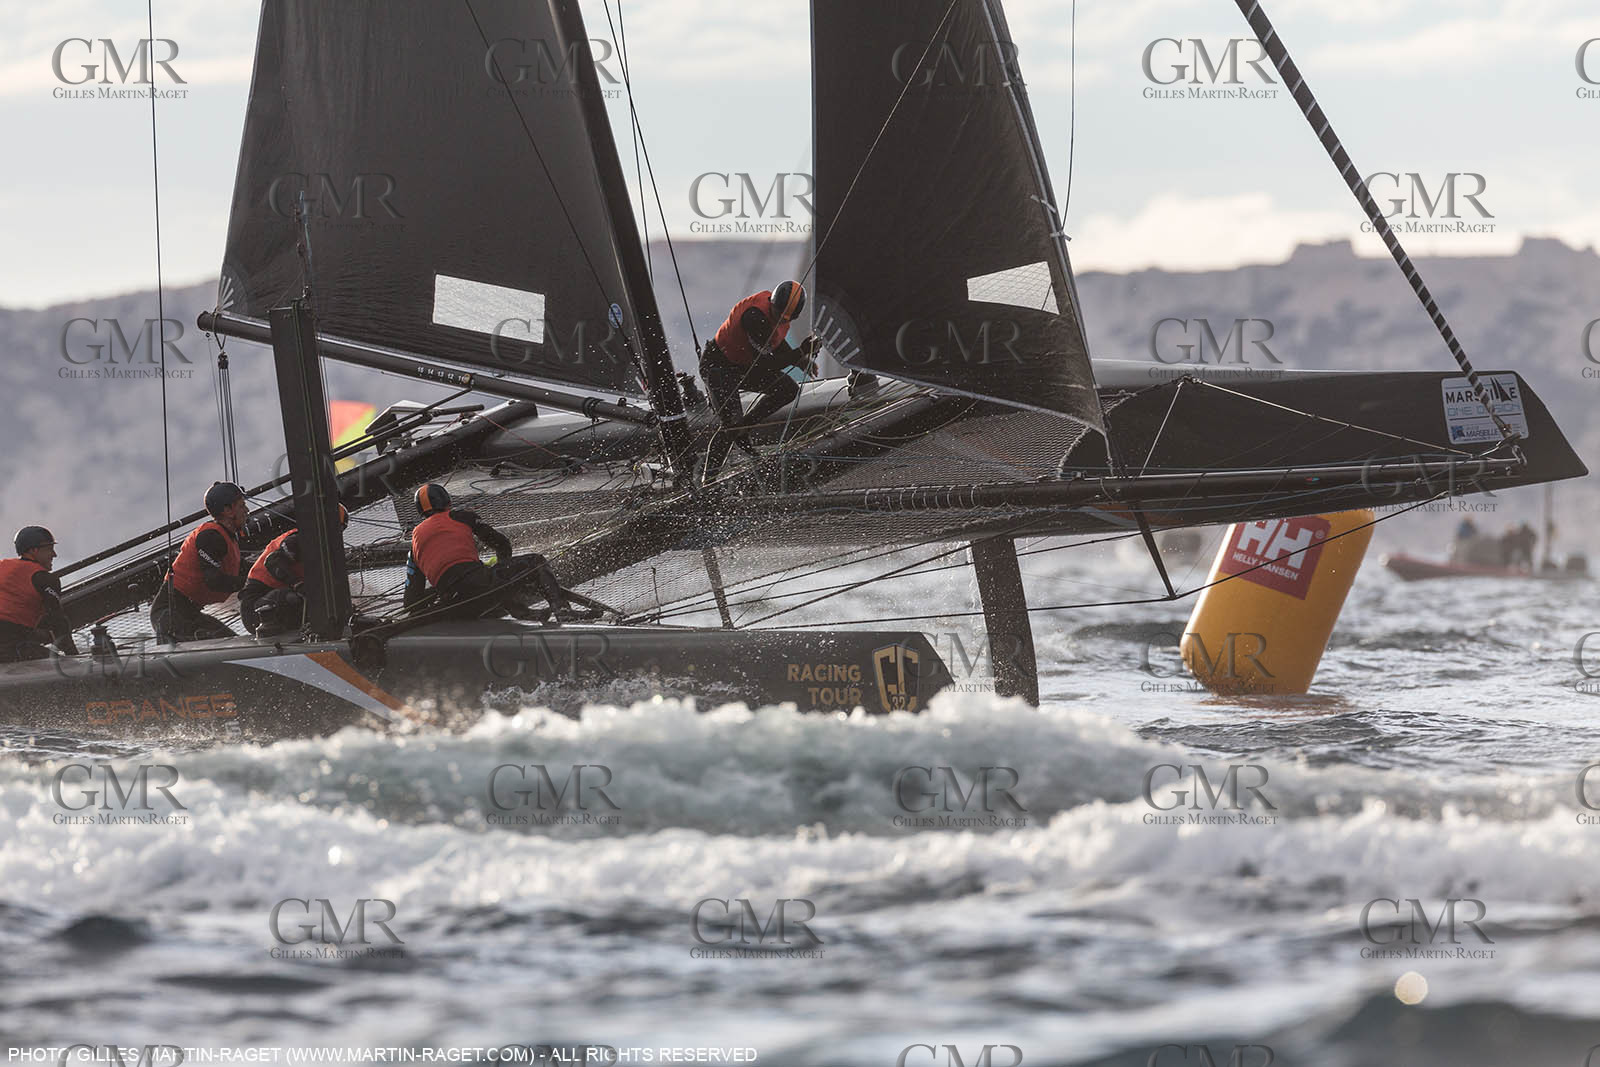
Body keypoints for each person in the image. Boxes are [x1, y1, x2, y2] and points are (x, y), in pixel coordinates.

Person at [698, 280, 820, 483]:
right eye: (777, 314)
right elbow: (766, 364)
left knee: (788, 389)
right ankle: (707, 482)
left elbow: (776, 345)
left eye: (785, 319)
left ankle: (744, 430)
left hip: (743, 365)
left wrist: (801, 360)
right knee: (730, 425)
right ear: (772, 304)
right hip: (718, 366)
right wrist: (800, 352)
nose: (780, 320)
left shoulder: (779, 316)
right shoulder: (754, 317)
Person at [403, 484, 574, 621]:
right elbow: (501, 544)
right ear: (448, 502)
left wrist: (438, 592)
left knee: (489, 582)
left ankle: (523, 613)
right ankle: (562, 610)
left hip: (455, 606)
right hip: (482, 587)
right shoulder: (461, 516)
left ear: (420, 512)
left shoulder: (414, 545)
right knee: (533, 562)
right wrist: (503, 565)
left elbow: (411, 603)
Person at [152, 481, 249, 643]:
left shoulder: (227, 539)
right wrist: (248, 584)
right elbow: (213, 580)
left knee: (233, 642)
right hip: (168, 614)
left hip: (189, 612)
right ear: (227, 511)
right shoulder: (211, 537)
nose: (246, 510)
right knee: (227, 646)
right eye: (241, 506)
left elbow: (245, 569)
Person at [239, 505, 349, 637]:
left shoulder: (321, 550)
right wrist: (297, 584)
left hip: (275, 602)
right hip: (256, 609)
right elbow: (273, 561)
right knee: (296, 598)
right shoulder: (299, 539)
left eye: (340, 529)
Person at [0, 526, 79, 662]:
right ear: (34, 550)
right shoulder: (45, 578)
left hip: (11, 635)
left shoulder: (3, 566)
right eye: (49, 549)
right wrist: (75, 657)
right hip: (9, 644)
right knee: (62, 664)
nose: (54, 555)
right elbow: (58, 620)